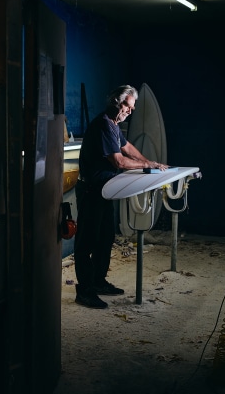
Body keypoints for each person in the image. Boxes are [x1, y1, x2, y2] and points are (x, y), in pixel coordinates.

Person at [74, 84, 169, 309]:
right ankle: (84, 291)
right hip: (91, 191)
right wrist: (147, 165)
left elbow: (128, 148)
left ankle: (98, 281)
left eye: (132, 107)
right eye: (128, 106)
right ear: (117, 102)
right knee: (86, 241)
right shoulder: (103, 125)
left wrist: (151, 162)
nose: (130, 111)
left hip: (105, 190)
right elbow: (119, 161)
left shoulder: (114, 125)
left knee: (105, 238)